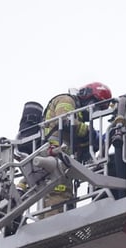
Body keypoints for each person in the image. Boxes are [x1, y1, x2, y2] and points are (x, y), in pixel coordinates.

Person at [41, 81, 112, 214]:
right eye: (96, 106)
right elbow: (64, 121)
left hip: (62, 160)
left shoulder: (78, 115)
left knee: (64, 196)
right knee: (58, 196)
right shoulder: (66, 100)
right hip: (55, 156)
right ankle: (57, 228)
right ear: (87, 96)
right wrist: (91, 134)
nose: (94, 111)